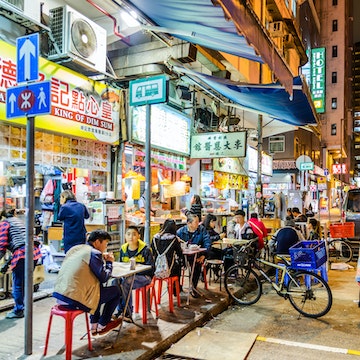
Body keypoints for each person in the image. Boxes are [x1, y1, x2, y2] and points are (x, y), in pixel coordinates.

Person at [53, 230, 122, 335]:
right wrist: (109, 263)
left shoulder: (76, 249)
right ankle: (103, 324)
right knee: (116, 291)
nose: (105, 247)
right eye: (105, 244)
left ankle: (94, 326)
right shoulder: (94, 253)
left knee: (96, 290)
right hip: (74, 300)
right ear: (98, 242)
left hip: (60, 296)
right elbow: (104, 277)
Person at [0, 209, 42, 319]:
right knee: (25, 282)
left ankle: (19, 310)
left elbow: (2, 245)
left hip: (22, 253)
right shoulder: (19, 221)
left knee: (18, 284)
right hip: (34, 251)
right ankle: (24, 307)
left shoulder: (5, 223)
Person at [115, 226, 154, 319]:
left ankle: (127, 312)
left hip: (145, 277)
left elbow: (152, 268)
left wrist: (138, 268)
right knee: (115, 282)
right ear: (125, 236)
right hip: (128, 277)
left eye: (134, 234)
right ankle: (120, 310)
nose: (131, 237)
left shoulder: (146, 250)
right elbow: (120, 265)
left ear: (139, 236)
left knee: (127, 282)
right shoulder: (123, 250)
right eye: (128, 234)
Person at [177, 213, 211, 298]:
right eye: (195, 222)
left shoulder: (202, 230)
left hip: (197, 256)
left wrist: (204, 255)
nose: (198, 224)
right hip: (183, 256)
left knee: (196, 266)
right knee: (175, 266)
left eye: (198, 222)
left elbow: (207, 243)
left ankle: (193, 287)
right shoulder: (181, 231)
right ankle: (177, 288)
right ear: (189, 223)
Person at [151, 219, 185, 294]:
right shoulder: (173, 239)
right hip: (169, 269)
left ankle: (172, 288)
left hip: (156, 269)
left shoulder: (155, 238)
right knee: (178, 267)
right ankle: (176, 289)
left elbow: (153, 252)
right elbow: (180, 253)